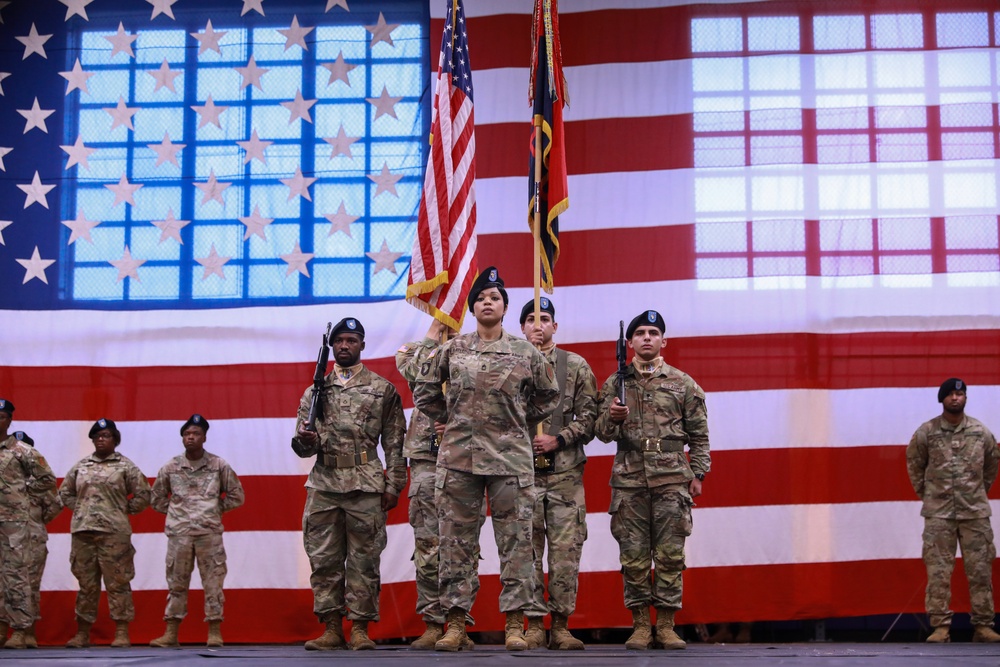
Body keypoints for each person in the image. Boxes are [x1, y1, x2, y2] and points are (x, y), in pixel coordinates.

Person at [412, 267, 560, 652]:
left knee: (516, 544)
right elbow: (425, 390)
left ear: (505, 307)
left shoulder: (525, 351)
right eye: (480, 298)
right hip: (459, 459)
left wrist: (513, 422)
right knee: (455, 545)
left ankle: (514, 624)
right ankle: (456, 624)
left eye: (494, 297)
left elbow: (548, 395)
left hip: (510, 461)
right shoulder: (453, 348)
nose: (487, 302)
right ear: (473, 307)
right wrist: (451, 418)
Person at [594, 310, 711, 650]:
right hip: (629, 480)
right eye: (640, 333)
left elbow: (700, 436)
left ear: (663, 341)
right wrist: (613, 418)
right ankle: (642, 625)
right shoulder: (615, 383)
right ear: (629, 343)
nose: (647, 337)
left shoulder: (682, 383)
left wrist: (699, 473)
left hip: (672, 480)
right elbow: (599, 433)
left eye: (653, 332)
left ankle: (667, 625)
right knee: (633, 557)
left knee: (671, 556)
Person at [291, 317, 406, 651]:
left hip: (366, 484)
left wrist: (394, 485)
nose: (344, 346)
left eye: (351, 340)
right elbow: (302, 447)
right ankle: (331, 628)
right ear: (332, 346)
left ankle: (359, 628)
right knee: (323, 560)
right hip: (325, 484)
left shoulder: (382, 389)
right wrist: (306, 438)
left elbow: (395, 443)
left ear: (362, 345)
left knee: (364, 561)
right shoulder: (315, 391)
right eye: (339, 341)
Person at [519, 298, 598, 650]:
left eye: (545, 318)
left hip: (565, 478)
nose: (539, 325)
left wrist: (560, 439)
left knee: (565, 553)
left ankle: (561, 625)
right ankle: (534, 624)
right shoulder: (510, 364)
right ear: (521, 327)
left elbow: (591, 418)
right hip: (522, 478)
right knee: (526, 553)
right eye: (531, 319)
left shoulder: (576, 366)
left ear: (555, 326)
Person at [395, 319, 478, 651]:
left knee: (461, 547)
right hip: (426, 462)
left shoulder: (473, 352)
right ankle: (432, 622)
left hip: (464, 459)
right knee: (428, 547)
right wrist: (434, 329)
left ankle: (458, 623)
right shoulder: (420, 353)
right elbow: (412, 369)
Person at [906, 378, 1000, 643]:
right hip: (939, 514)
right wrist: (928, 495)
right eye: (950, 394)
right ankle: (941, 627)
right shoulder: (927, 432)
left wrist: (977, 492)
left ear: (965, 398)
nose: (955, 398)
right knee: (938, 571)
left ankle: (983, 627)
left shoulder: (981, 432)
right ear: (942, 399)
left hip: (975, 513)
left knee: (980, 570)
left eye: (960, 394)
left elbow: (992, 464)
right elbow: (914, 462)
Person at [149, 414, 245, 648]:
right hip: (179, 534)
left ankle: (214, 631)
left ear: (204, 437)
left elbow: (237, 496)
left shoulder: (218, 465)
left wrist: (213, 509)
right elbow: (157, 498)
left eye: (195, 434)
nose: (190, 437)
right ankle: (171, 632)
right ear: (182, 437)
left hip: (208, 534)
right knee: (176, 583)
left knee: (213, 582)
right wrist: (177, 514)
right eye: (187, 434)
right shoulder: (170, 467)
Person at [59, 418, 151, 648]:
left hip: (114, 534)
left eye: (106, 436)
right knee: (87, 584)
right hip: (84, 533)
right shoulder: (81, 466)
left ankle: (121, 631)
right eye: (97, 436)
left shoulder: (126, 466)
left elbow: (143, 495)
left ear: (115, 440)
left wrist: (121, 511)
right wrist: (82, 509)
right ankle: (82, 633)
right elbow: (65, 492)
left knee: (118, 582)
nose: (101, 440)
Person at [0, 401, 57, 650]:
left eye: (2, 416)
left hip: (13, 523)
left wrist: (23, 492)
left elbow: (47, 478)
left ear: (9, 421)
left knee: (16, 577)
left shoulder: (22, 450)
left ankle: (21, 630)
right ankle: (1, 628)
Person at [11, 430, 62, 649]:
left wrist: (35, 523)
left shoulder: (40, 484)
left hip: (32, 540)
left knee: (30, 585)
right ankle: (6, 630)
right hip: (7, 540)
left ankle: (27, 631)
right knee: (5, 585)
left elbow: (55, 506)